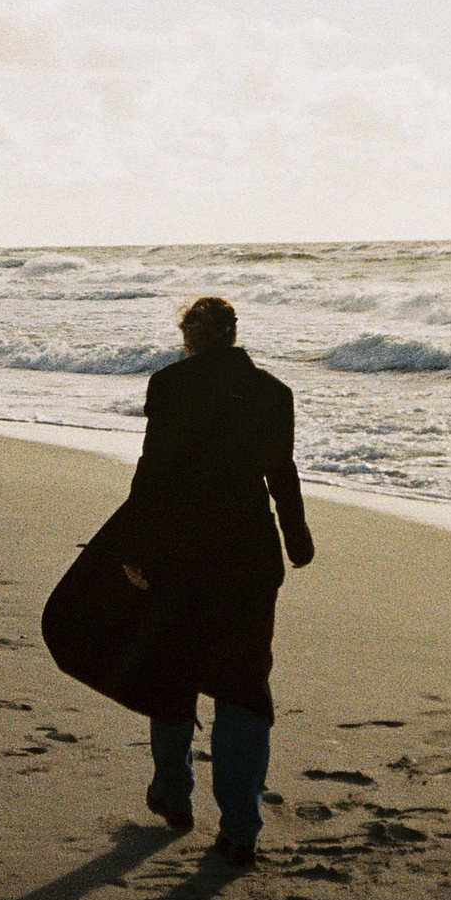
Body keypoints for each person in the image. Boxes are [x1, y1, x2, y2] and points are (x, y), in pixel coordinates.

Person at [118, 294, 314, 866]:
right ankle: (241, 830)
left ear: (188, 338)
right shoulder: (272, 392)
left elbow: (154, 472)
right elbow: (282, 472)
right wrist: (297, 539)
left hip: (178, 554)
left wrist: (135, 546)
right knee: (243, 685)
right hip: (249, 555)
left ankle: (173, 795)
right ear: (233, 334)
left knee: (173, 672)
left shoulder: (169, 385)